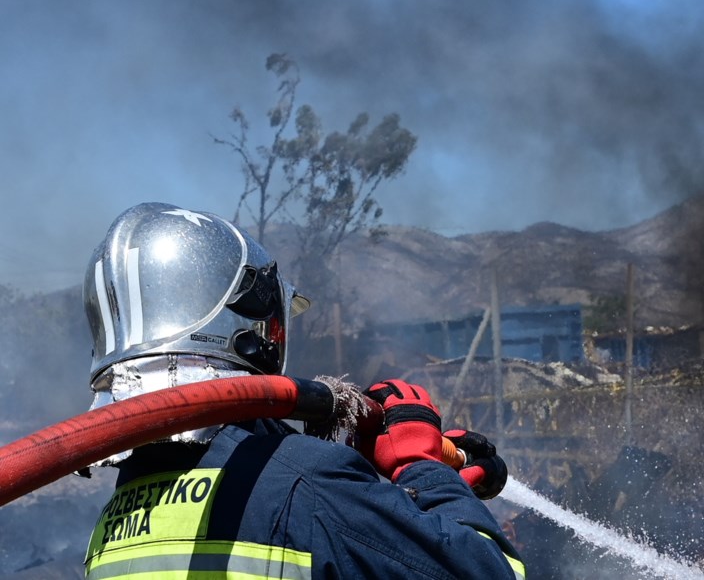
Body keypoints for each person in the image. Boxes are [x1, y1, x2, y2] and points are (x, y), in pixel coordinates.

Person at [79, 202, 524, 579]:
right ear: (248, 328)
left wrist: (379, 486)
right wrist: (422, 466)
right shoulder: (307, 484)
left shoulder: (115, 518)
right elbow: (489, 569)